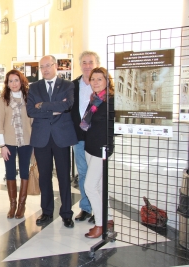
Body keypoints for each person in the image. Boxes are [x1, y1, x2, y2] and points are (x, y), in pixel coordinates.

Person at [27, 55, 78, 228]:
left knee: (64, 176)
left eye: (48, 65)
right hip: (41, 138)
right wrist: (55, 108)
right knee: (45, 178)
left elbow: (68, 105)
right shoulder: (34, 87)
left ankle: (66, 213)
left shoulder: (67, 85)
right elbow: (30, 111)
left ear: (56, 66)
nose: (45, 69)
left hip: (61, 137)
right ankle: (47, 212)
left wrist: (42, 105)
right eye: (42, 67)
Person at [80, 67, 115, 238]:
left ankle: (100, 225)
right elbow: (87, 124)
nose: (95, 82)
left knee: (89, 186)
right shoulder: (94, 100)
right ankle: (108, 219)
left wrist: (108, 146)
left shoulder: (111, 101)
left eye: (99, 79)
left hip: (102, 149)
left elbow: (114, 127)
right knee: (100, 186)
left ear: (107, 81)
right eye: (93, 79)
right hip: (90, 147)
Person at [0, 69, 32, 219]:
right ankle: (13, 204)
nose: (14, 83)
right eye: (10, 81)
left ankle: (22, 205)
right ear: (7, 84)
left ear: (21, 81)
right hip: (8, 142)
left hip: (26, 141)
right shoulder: (4, 100)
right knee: (10, 172)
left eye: (16, 80)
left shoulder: (29, 98)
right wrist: (2, 146)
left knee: (24, 171)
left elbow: (33, 122)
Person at [71, 51, 101, 223]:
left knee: (96, 175)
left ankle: (99, 209)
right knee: (83, 172)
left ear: (96, 63)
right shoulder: (73, 85)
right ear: (80, 64)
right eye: (84, 62)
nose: (87, 65)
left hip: (97, 137)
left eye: (91, 62)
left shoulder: (102, 84)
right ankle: (86, 208)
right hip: (79, 136)